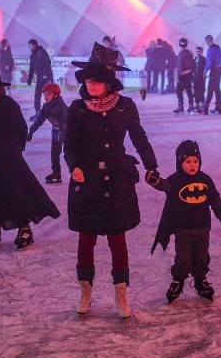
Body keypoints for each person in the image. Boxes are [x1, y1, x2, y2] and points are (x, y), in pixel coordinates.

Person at [64, 42, 158, 318]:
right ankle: (86, 291)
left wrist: (151, 167)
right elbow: (69, 146)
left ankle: (121, 293)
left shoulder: (125, 107)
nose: (91, 84)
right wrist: (74, 166)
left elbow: (139, 138)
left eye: (97, 80)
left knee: (117, 239)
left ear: (108, 82)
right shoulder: (78, 109)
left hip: (117, 179)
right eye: (88, 79)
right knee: (86, 238)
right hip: (88, 181)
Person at [0, 44, 60, 250]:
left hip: (9, 156)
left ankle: (24, 227)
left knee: (16, 190)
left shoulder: (9, 105)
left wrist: (13, 150)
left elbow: (21, 129)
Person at [148, 139, 221, 303]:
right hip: (183, 229)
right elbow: (163, 185)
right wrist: (154, 180)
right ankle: (178, 280)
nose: (192, 165)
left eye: (195, 161)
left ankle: (201, 280)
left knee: (202, 257)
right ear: (180, 162)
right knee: (183, 259)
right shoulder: (176, 180)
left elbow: (215, 200)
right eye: (188, 162)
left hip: (203, 228)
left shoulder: (205, 179)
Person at [27, 82, 68, 183]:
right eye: (45, 94)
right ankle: (56, 172)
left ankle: (76, 170)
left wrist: (69, 136)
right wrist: (31, 132)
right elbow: (39, 121)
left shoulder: (60, 108)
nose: (46, 96)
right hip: (56, 132)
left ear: (56, 95)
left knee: (69, 153)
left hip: (67, 132)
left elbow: (68, 123)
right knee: (54, 154)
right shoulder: (46, 107)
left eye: (49, 94)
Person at [26, 39, 53, 121]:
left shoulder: (42, 52)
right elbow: (31, 68)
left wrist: (46, 75)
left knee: (49, 96)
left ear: (35, 45)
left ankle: (53, 113)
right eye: (29, 46)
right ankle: (38, 113)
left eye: (30, 46)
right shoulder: (32, 56)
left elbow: (48, 63)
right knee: (37, 96)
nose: (29, 47)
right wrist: (29, 79)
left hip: (46, 78)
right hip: (39, 79)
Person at [173, 38, 195, 114]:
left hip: (183, 76)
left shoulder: (181, 54)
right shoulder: (190, 53)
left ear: (180, 45)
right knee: (189, 91)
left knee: (178, 90)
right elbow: (192, 65)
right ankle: (191, 106)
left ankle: (181, 107)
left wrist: (178, 76)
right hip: (189, 75)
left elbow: (179, 66)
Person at [204, 35, 221, 114]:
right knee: (216, 89)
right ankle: (218, 107)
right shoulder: (218, 48)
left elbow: (209, 62)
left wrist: (205, 72)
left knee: (210, 89)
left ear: (208, 41)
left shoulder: (211, 50)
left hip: (214, 70)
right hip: (219, 69)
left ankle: (205, 108)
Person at [192, 46, 207, 114]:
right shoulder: (195, 59)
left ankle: (202, 105)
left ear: (202, 52)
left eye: (199, 51)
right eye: (196, 51)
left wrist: (204, 74)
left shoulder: (204, 59)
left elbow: (205, 68)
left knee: (201, 91)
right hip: (195, 78)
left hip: (201, 78)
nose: (197, 52)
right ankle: (196, 105)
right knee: (195, 91)